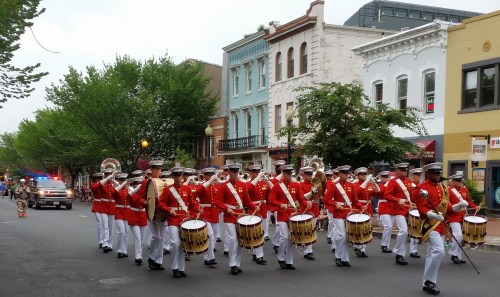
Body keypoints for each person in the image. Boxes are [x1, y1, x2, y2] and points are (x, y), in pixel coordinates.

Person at [412, 162, 454, 295]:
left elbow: (448, 207)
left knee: (432, 253)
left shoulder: (442, 187)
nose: (437, 175)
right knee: (439, 251)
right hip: (429, 225)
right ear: (428, 174)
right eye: (435, 173)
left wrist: (459, 206)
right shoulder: (420, 188)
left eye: (439, 173)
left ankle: (427, 282)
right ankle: (430, 281)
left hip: (440, 225)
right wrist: (433, 215)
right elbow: (422, 208)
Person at [215, 163, 259, 275]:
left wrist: (254, 207)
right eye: (233, 172)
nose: (235, 174)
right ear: (229, 172)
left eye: (236, 172)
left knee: (240, 241)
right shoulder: (224, 185)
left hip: (240, 216)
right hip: (230, 216)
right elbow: (217, 201)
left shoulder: (242, 185)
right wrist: (226, 208)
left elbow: (247, 201)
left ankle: (237, 264)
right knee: (233, 240)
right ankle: (232, 264)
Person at [158, 166, 201, 278]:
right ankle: (175, 267)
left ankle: (181, 268)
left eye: (180, 175)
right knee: (175, 243)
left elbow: (192, 202)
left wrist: (198, 209)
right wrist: (169, 209)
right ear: (172, 177)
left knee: (183, 244)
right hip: (173, 219)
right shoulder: (168, 190)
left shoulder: (187, 189)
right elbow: (161, 203)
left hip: (185, 219)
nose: (179, 177)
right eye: (176, 175)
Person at [268, 164, 310, 270]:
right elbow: (271, 199)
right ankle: (281, 257)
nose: (289, 175)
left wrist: (306, 204)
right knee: (284, 237)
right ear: (283, 173)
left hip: (293, 215)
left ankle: (289, 261)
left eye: (290, 173)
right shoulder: (278, 185)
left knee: (292, 238)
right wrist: (279, 204)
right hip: (282, 215)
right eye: (287, 173)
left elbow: (301, 199)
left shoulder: (296, 185)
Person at [323, 165, 364, 267]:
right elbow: (326, 199)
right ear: (340, 174)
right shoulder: (334, 185)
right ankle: (338, 256)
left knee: (347, 237)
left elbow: (355, 201)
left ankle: (345, 259)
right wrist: (335, 204)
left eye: (347, 173)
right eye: (344, 173)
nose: (346, 175)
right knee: (341, 235)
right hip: (338, 213)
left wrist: (361, 207)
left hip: (348, 213)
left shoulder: (351, 185)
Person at [131, 160, 167, 270]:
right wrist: (145, 202)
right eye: (155, 169)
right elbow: (137, 197)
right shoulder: (146, 183)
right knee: (156, 236)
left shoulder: (164, 182)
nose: (157, 171)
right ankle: (151, 258)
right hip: (152, 213)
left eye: (159, 169)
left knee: (162, 238)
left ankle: (158, 261)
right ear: (151, 170)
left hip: (163, 213)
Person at [383, 162, 412, 265]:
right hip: (398, 209)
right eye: (403, 170)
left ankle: (402, 253)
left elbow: (412, 194)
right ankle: (399, 253)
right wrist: (398, 199)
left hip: (408, 209)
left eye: (406, 170)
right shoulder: (393, 181)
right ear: (397, 171)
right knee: (403, 231)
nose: (405, 172)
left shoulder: (408, 181)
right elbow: (387, 195)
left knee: (408, 232)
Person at [446, 172, 478, 264]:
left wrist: (475, 206)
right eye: (457, 181)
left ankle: (458, 256)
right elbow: (448, 205)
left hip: (463, 215)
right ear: (452, 181)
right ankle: (453, 254)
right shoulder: (448, 191)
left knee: (461, 237)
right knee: (458, 235)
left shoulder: (464, 190)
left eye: (460, 180)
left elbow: (469, 201)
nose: (460, 182)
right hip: (453, 216)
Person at [246, 164, 272, 265]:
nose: (257, 174)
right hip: (254, 209)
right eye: (255, 172)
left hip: (263, 209)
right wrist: (257, 178)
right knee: (256, 233)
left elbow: (274, 189)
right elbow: (249, 189)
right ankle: (259, 255)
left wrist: (267, 180)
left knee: (261, 232)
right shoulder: (248, 183)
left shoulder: (263, 184)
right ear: (251, 173)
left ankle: (256, 253)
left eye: (258, 172)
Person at [353, 166, 380, 258]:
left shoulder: (368, 185)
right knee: (359, 228)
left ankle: (363, 249)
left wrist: (375, 183)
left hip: (368, 207)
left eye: (365, 174)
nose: (364, 175)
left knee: (367, 228)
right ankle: (357, 246)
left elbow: (378, 193)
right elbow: (357, 192)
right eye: (362, 174)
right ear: (357, 175)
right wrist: (366, 181)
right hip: (359, 207)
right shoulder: (355, 184)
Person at [195, 167, 220, 266]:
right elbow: (197, 192)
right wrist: (209, 181)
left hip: (215, 212)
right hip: (205, 212)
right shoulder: (202, 185)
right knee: (210, 235)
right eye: (208, 175)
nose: (210, 176)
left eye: (211, 174)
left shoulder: (216, 185)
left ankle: (209, 256)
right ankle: (209, 257)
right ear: (204, 176)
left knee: (213, 236)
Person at [299, 166, 320, 260]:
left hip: (314, 208)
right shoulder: (300, 185)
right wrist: (312, 191)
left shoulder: (314, 184)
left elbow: (318, 197)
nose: (310, 176)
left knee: (312, 230)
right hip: (306, 209)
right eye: (308, 174)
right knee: (307, 230)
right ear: (303, 175)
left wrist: (319, 190)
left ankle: (308, 249)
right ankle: (308, 251)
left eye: (311, 174)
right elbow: (303, 198)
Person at [127, 176, 147, 265]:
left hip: (142, 216)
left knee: (141, 239)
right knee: (138, 238)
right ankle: (138, 256)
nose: (138, 185)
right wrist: (137, 189)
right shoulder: (132, 192)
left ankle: (140, 255)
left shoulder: (144, 194)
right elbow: (129, 196)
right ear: (134, 185)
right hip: (134, 216)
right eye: (136, 184)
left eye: (140, 184)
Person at [269, 160, 286, 254]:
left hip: (286, 206)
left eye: (282, 167)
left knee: (283, 227)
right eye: (279, 167)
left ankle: (280, 243)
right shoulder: (274, 179)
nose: (280, 169)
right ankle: (276, 243)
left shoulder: (287, 179)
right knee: (279, 226)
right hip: (277, 206)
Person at [99, 168, 117, 253]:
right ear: (105, 175)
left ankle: (110, 244)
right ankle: (105, 243)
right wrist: (106, 179)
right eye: (107, 174)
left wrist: (114, 181)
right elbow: (97, 186)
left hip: (112, 207)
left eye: (110, 174)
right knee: (105, 226)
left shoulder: (114, 184)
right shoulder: (102, 184)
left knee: (111, 227)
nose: (109, 176)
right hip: (104, 207)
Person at [112, 173, 131, 258]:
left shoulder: (129, 189)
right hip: (119, 212)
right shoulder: (117, 189)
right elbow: (113, 192)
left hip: (127, 213)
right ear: (119, 180)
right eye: (121, 180)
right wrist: (122, 184)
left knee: (126, 232)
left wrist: (129, 186)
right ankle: (120, 250)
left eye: (124, 180)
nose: (124, 181)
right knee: (121, 232)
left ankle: (124, 250)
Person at [408, 168, 423, 259]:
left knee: (418, 229)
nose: (419, 177)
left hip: (420, 210)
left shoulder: (421, 185)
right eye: (417, 175)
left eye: (420, 175)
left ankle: (414, 249)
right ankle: (413, 251)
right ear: (413, 175)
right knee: (414, 229)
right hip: (412, 209)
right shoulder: (410, 185)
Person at [90, 173, 105, 248]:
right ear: (95, 179)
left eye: (100, 178)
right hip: (97, 204)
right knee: (100, 223)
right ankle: (100, 241)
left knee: (104, 224)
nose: (100, 179)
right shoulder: (93, 185)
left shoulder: (103, 184)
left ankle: (105, 240)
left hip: (103, 205)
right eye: (98, 178)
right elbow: (97, 186)